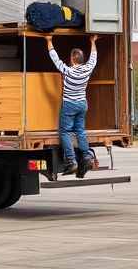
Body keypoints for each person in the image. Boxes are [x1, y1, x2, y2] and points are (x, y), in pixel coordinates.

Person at [44, 34, 98, 177]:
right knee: (80, 131)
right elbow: (94, 56)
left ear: (73, 59)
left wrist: (49, 41)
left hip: (69, 105)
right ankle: (86, 156)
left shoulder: (68, 71)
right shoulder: (87, 69)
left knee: (65, 132)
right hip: (82, 104)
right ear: (81, 59)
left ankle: (71, 161)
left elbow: (54, 58)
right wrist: (93, 41)